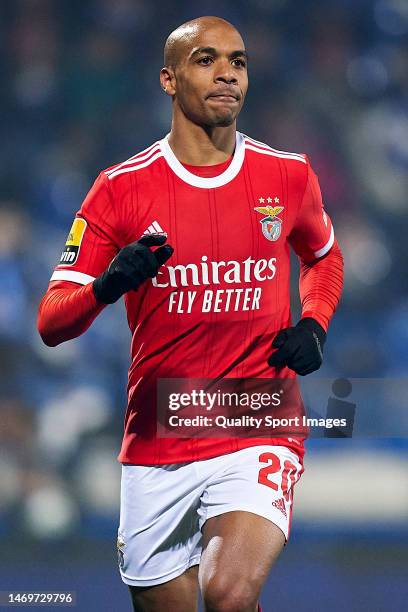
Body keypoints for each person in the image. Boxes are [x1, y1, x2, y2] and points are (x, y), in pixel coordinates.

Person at [38, 15, 344, 612]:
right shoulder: (119, 189)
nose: (227, 72)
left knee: (228, 593)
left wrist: (314, 322)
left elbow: (324, 258)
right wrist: (107, 286)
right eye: (206, 60)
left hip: (258, 418)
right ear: (168, 79)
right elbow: (51, 322)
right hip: (160, 432)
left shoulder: (287, 175)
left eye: (239, 60)